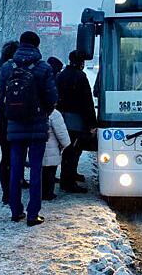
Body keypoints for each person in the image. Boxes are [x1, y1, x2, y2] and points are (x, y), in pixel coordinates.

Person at [0, 31, 58, 227]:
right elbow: (52, 98)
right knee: (36, 170)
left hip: (14, 126)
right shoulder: (43, 67)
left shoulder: (7, 67)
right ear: (37, 46)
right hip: (37, 125)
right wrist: (42, 113)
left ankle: (15, 211)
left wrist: (12, 112)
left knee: (15, 168)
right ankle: (33, 214)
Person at [56, 50, 97, 193]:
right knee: (74, 150)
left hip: (62, 119)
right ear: (81, 63)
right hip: (76, 120)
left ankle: (68, 176)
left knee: (67, 150)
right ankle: (68, 182)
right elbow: (87, 102)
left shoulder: (61, 75)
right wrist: (92, 123)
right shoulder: (80, 77)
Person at [0, 41, 19, 204]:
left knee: (6, 157)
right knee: (16, 157)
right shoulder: (19, 70)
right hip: (17, 120)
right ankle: (14, 187)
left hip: (3, 120)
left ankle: (6, 192)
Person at [42, 107, 70, 201]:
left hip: (38, 147)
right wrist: (66, 144)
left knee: (41, 172)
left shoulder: (34, 108)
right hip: (52, 149)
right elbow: (61, 133)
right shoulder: (54, 113)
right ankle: (48, 193)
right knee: (50, 172)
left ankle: (41, 192)